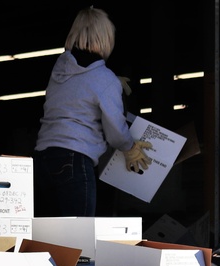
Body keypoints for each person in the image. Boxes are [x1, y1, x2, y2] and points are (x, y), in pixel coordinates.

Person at [34, 7, 152, 217]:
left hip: (43, 158)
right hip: (74, 158)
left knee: (51, 237)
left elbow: (79, 89)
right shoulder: (104, 79)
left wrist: (111, 83)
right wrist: (130, 146)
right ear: (107, 39)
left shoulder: (59, 68)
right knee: (81, 238)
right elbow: (115, 131)